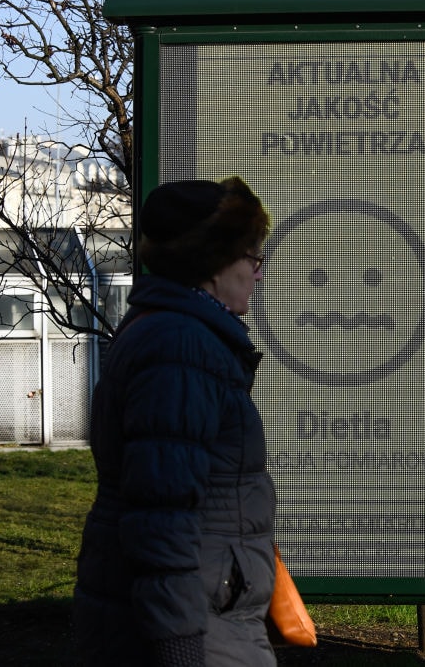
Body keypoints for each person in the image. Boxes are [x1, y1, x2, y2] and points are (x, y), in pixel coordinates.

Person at [73, 177, 277, 666]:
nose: (258, 274)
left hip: (201, 611)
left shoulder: (168, 331)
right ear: (214, 261)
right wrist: (181, 648)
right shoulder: (182, 347)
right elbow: (161, 517)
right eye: (253, 258)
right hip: (196, 627)